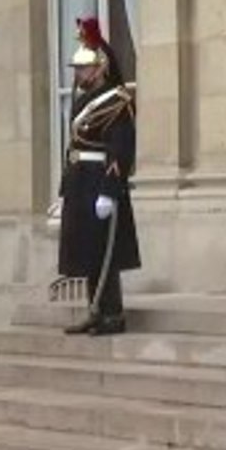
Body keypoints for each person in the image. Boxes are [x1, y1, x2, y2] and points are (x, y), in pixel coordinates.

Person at [60, 17, 139, 337]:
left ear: (100, 68)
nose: (78, 74)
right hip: (80, 180)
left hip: (99, 180)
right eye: (77, 68)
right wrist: (65, 186)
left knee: (105, 249)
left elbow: (121, 147)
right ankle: (94, 310)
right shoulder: (84, 100)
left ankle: (113, 314)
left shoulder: (116, 101)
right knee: (86, 250)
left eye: (84, 68)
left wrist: (110, 189)